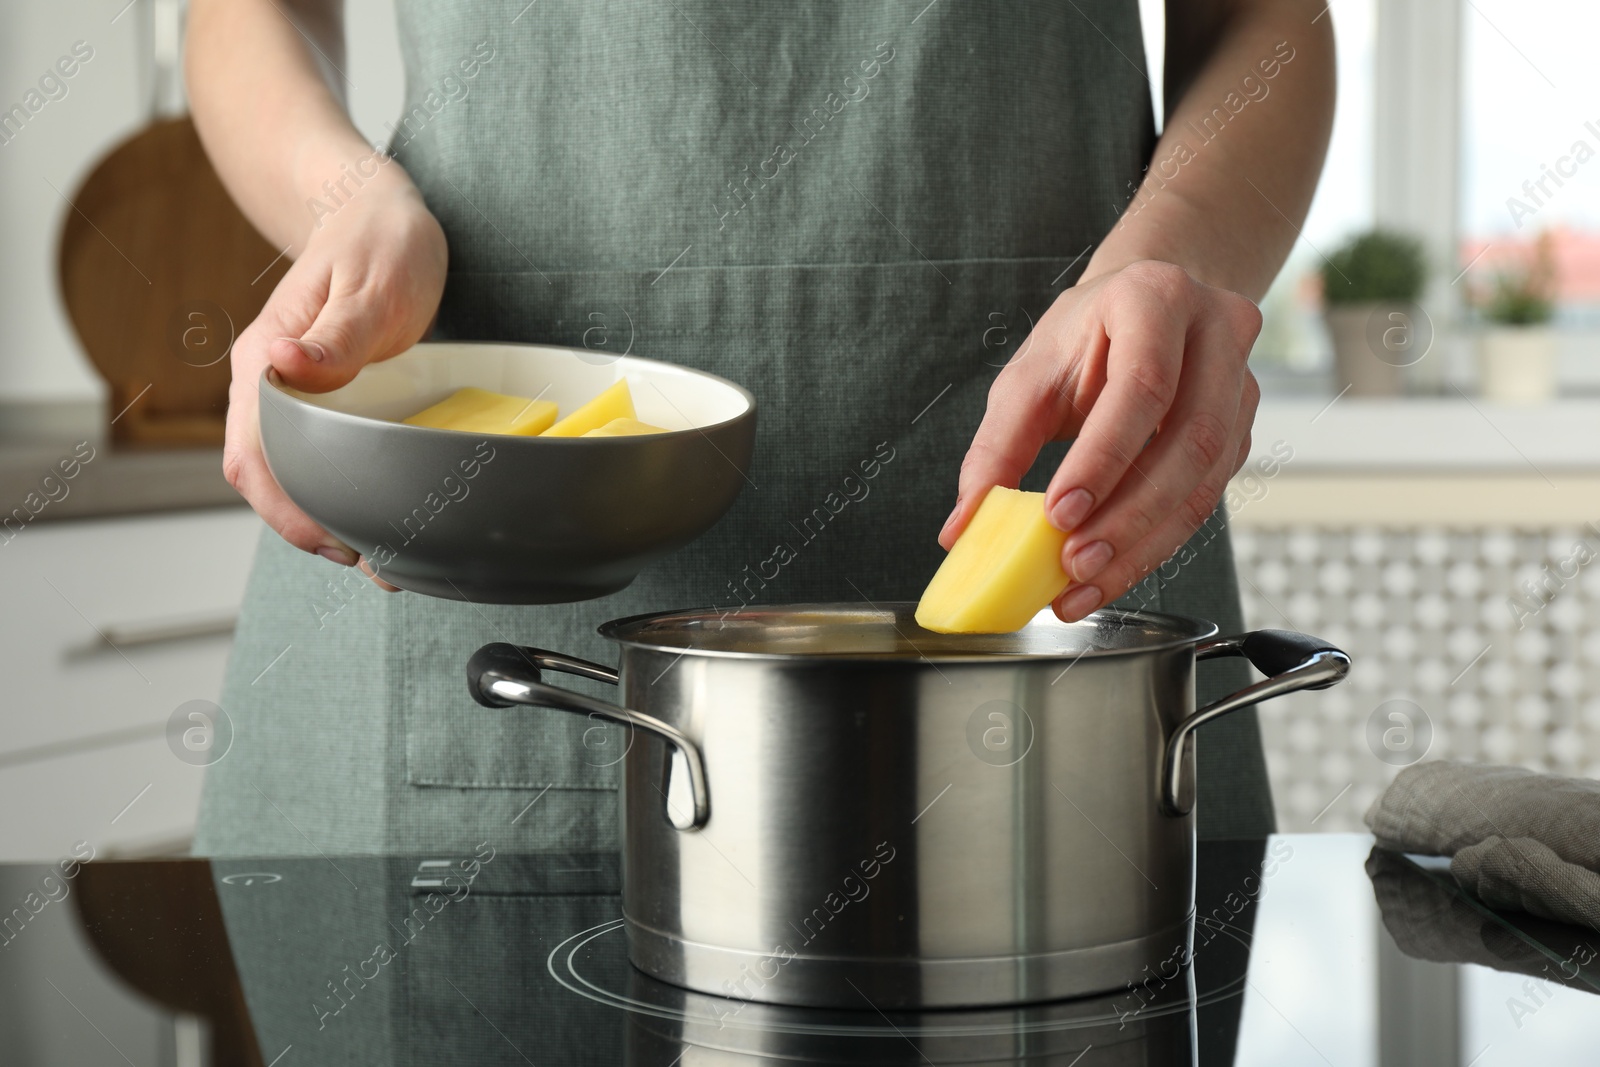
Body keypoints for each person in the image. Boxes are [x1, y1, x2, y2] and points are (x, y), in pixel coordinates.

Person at [185, 0, 1334, 855]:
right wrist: (347, 204)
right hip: (468, 597)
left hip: (1064, 572)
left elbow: (1263, 21)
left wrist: (1170, 258)